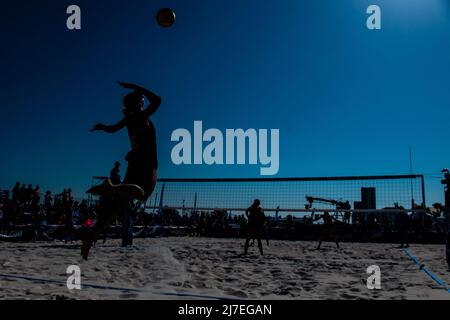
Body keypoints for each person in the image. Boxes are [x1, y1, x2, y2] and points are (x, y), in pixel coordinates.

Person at [81, 82, 161, 260]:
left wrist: (102, 127)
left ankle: (89, 240)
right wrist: (137, 86)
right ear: (139, 103)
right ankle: (111, 187)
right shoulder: (141, 116)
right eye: (141, 100)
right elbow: (157, 100)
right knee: (142, 195)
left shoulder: (130, 119)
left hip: (134, 162)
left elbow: (112, 129)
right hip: (147, 163)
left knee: (115, 209)